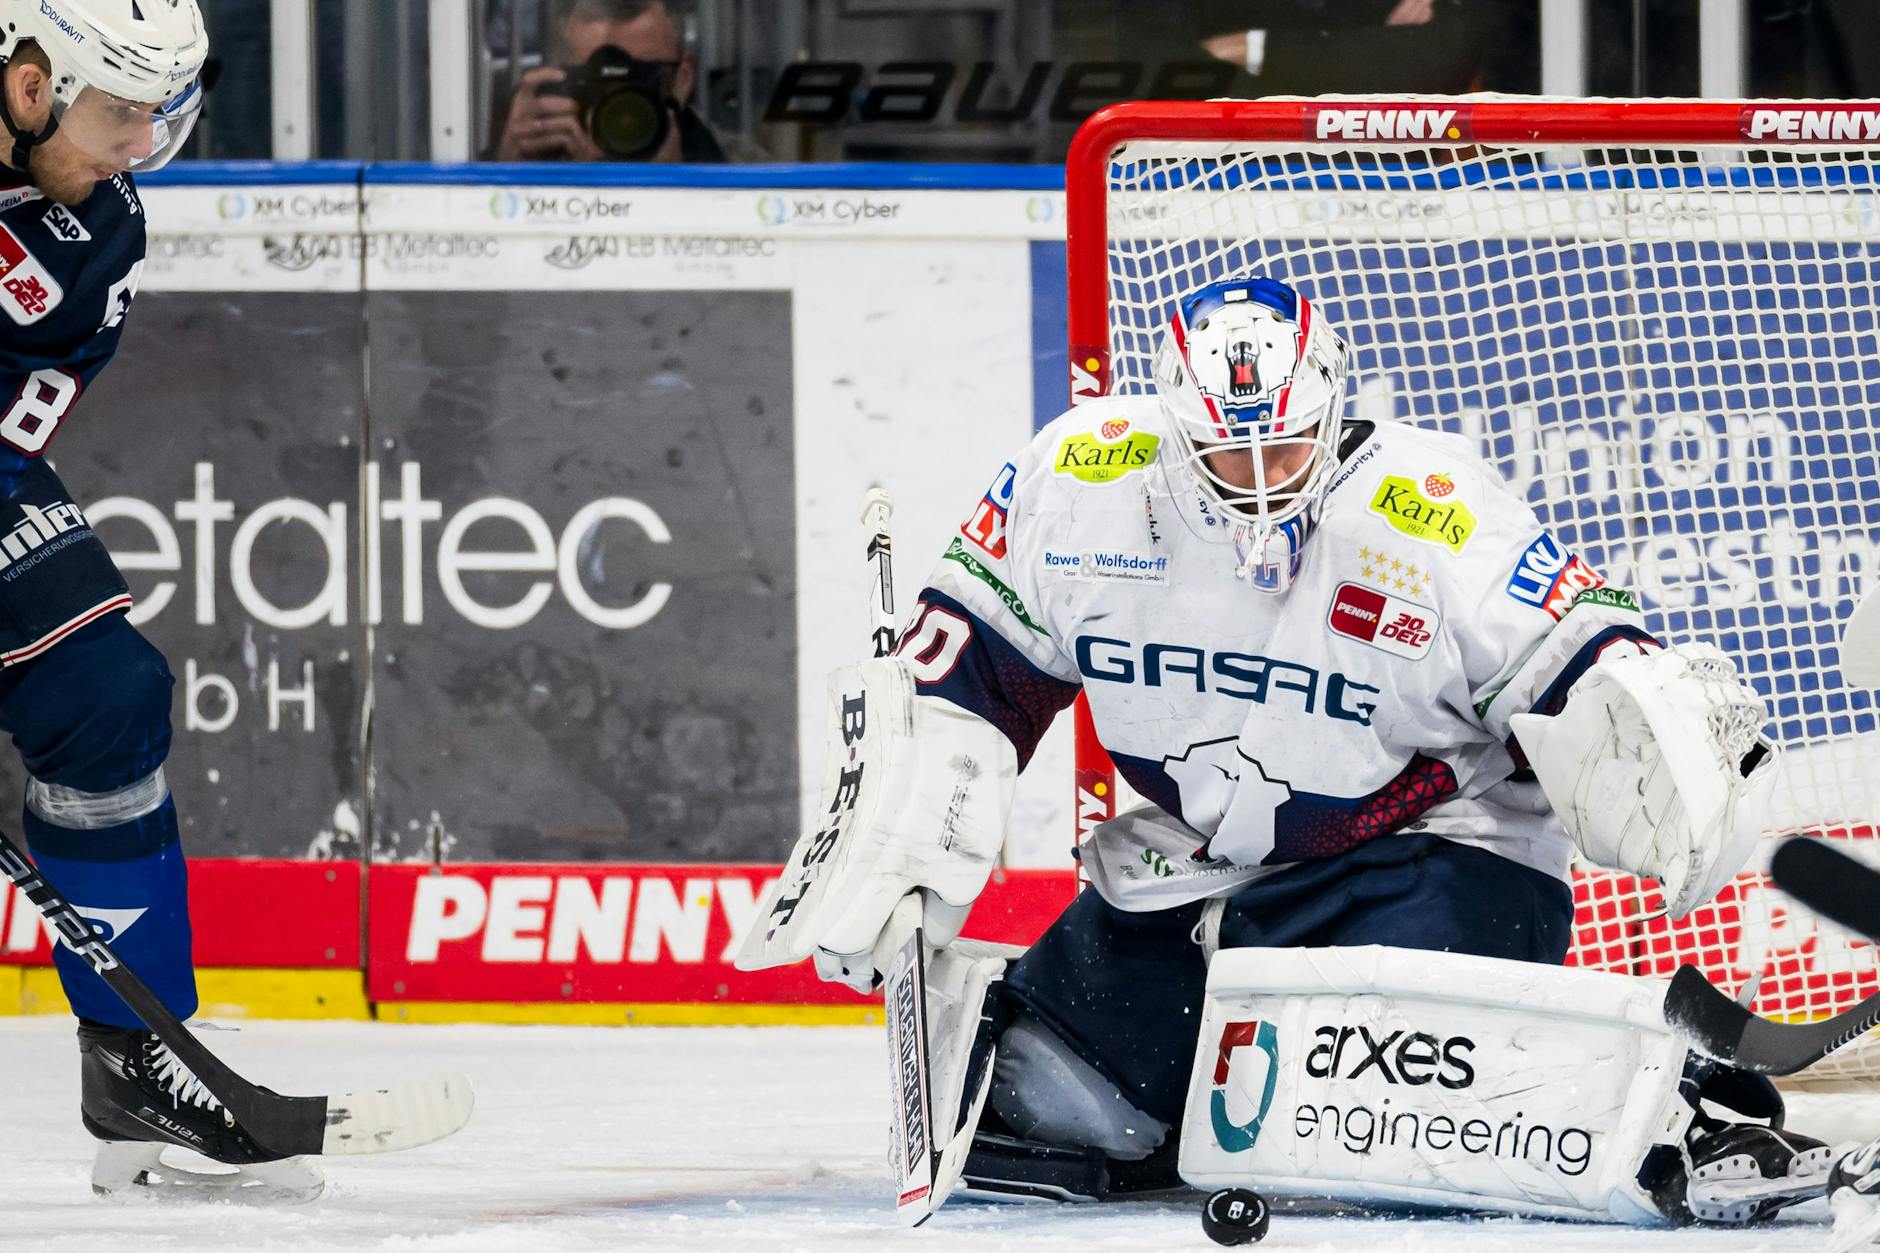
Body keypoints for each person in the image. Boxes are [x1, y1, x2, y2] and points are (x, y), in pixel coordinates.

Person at [756, 273, 1836, 1227]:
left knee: (1396, 1127)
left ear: (1333, 409)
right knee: (1052, 1108)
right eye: (1225, 448)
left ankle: (1659, 1108)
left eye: (1283, 443)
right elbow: (970, 674)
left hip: (1426, 855)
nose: (1257, 477)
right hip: (1199, 865)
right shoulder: (1076, 479)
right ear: (1175, 427)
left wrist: (1647, 726)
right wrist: (901, 823)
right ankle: (1221, 1075)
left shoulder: (1434, 513)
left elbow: (1580, 660)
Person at [0, 0, 325, 1201]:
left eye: (157, 116)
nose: (137, 144)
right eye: (117, 112)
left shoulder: (88, 240)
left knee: (105, 692)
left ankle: (134, 1057)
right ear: (28, 85)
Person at [491, 0, 724, 163]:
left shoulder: (734, 166)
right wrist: (510, 173)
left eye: (640, 76)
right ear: (560, 77)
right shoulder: (538, 147)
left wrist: (679, 183)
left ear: (682, 80)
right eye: (596, 76)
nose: (618, 106)